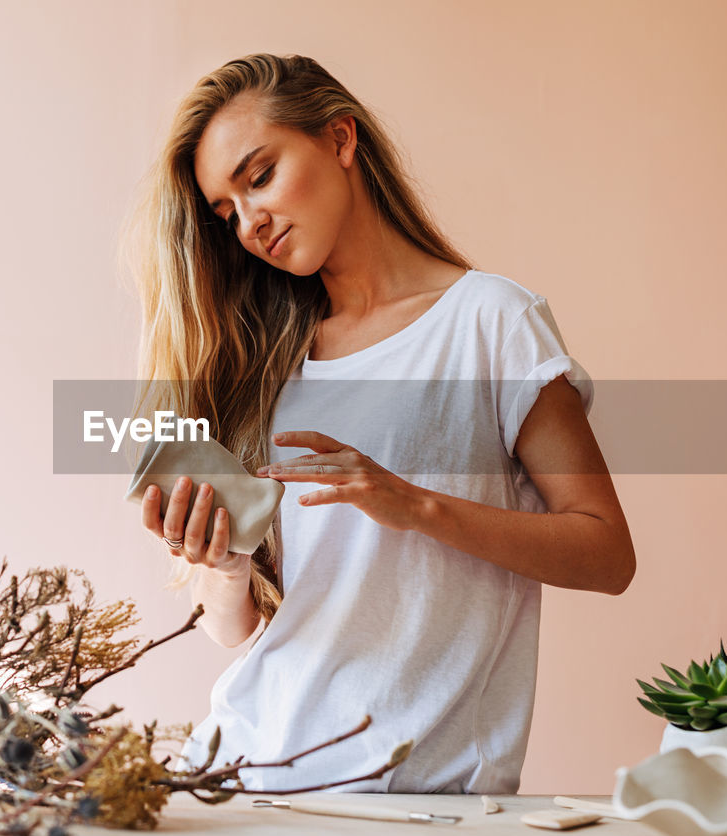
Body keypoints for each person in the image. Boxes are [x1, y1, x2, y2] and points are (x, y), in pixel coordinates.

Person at [124, 53, 635, 794]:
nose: (250, 223)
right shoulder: (276, 362)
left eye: (259, 175)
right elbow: (236, 631)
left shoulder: (490, 321)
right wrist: (225, 564)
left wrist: (415, 505)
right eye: (227, 211)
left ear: (340, 139)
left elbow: (607, 551)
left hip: (418, 797)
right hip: (248, 773)